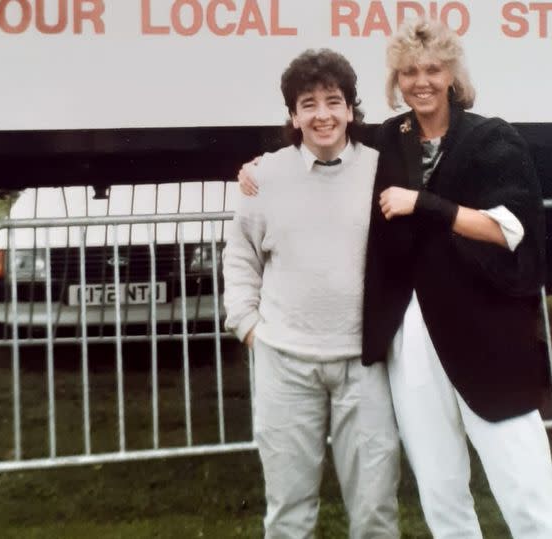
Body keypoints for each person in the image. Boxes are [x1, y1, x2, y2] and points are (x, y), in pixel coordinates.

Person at [238, 19, 552, 539]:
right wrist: (263, 165)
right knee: (441, 489)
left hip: (484, 333)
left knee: (525, 489)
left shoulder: (490, 138)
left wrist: (428, 205)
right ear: (396, 80)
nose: (422, 81)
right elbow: (327, 140)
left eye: (433, 69)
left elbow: (511, 230)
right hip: (412, 335)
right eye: (409, 71)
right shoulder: (389, 141)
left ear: (452, 75)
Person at [222, 49, 400, 539]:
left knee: (375, 510)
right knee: (289, 510)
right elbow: (240, 255)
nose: (322, 114)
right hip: (285, 364)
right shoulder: (265, 177)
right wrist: (248, 325)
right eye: (308, 104)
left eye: (333, 101)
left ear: (350, 109)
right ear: (293, 116)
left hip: (364, 365)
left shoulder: (382, 170)